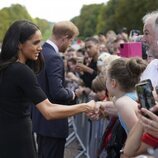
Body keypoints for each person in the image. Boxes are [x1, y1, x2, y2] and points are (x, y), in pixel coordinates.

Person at [0, 20, 96, 158]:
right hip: (18, 139)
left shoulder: (7, 67)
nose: (40, 47)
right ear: (19, 44)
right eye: (35, 43)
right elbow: (49, 111)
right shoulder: (21, 70)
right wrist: (86, 107)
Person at [31, 21, 81, 158]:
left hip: (42, 120)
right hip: (53, 123)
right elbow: (57, 91)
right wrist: (72, 94)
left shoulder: (41, 52)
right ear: (64, 38)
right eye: (70, 41)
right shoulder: (54, 57)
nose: (70, 44)